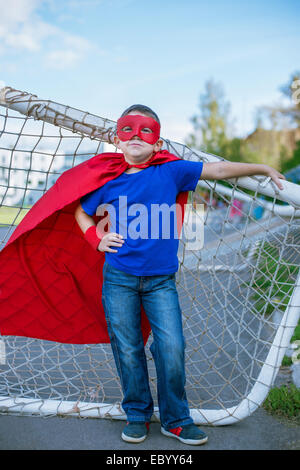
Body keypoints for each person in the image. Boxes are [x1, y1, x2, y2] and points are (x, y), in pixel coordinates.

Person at [74, 104, 285, 446]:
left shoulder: (172, 173)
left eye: (146, 130)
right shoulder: (107, 181)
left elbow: (217, 170)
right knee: (128, 349)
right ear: (118, 140)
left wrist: (262, 166)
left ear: (157, 143)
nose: (136, 137)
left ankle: (175, 418)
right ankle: (138, 414)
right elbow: (81, 213)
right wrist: (96, 239)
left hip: (160, 282)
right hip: (119, 279)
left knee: (172, 346)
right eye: (128, 131)